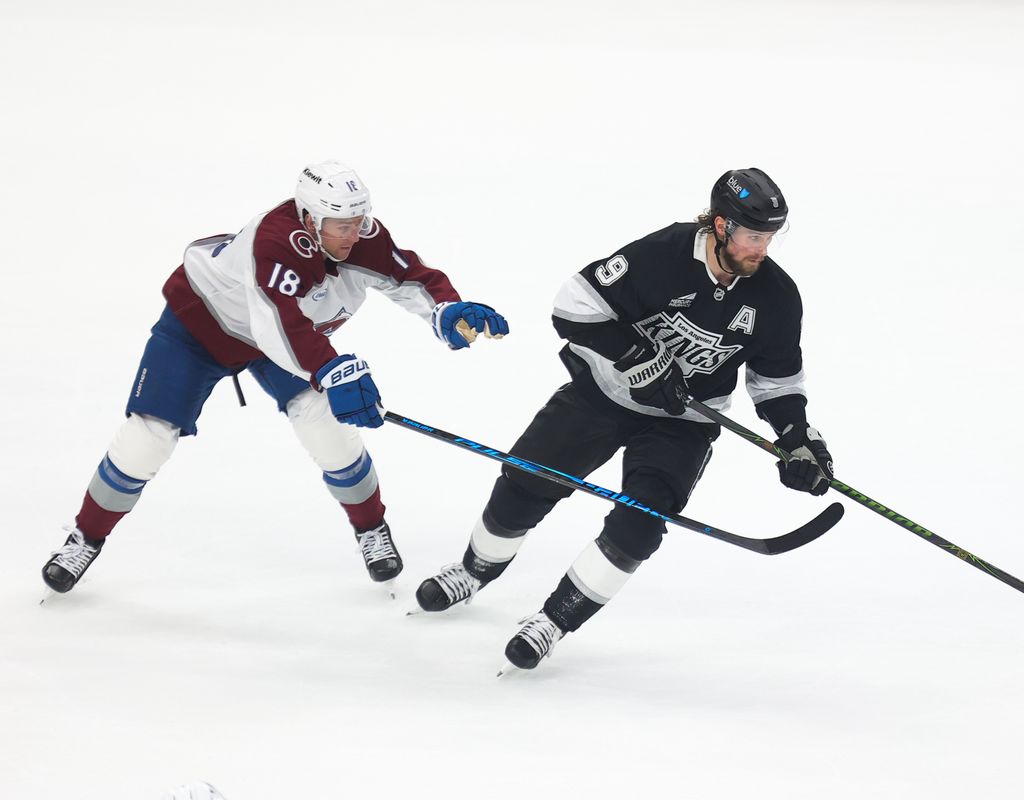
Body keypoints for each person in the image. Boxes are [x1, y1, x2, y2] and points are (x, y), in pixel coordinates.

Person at [413, 168, 832, 670]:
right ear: (721, 226)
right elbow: (572, 305)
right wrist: (637, 357)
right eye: (752, 236)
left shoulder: (777, 297)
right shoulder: (665, 254)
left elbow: (777, 381)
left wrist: (797, 438)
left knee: (641, 524)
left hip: (685, 422)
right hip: (603, 394)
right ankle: (474, 570)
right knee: (527, 480)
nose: (760, 250)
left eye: (768, 238)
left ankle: (553, 621)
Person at [41, 161, 508, 595]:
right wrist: (330, 368)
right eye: (341, 226)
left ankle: (370, 528)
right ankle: (85, 537)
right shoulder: (274, 242)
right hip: (200, 328)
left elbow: (408, 276)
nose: (352, 235)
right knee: (148, 438)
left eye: (358, 222)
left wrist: (446, 309)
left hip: (285, 338)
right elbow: (276, 324)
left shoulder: (362, 236)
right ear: (309, 219)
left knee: (327, 428)